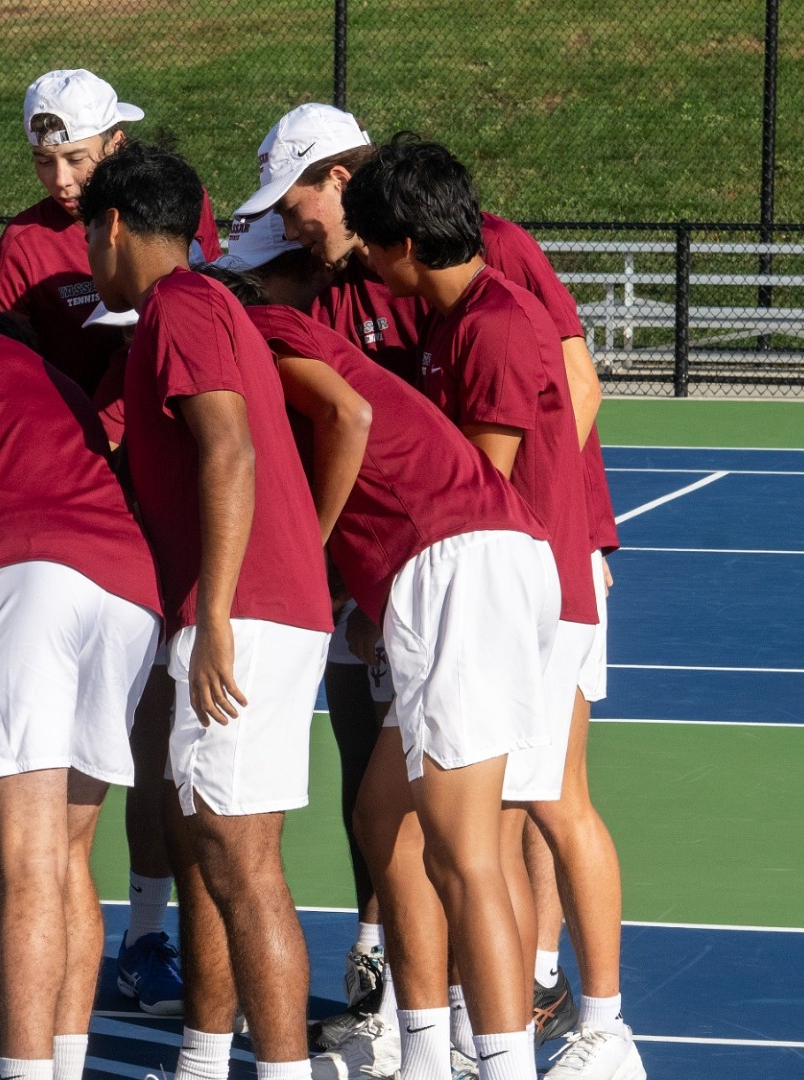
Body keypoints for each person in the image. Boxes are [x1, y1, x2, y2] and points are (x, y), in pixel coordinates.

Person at [248, 103, 626, 1069]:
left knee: (493, 835)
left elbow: (484, 481)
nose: (363, 267)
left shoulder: (496, 315)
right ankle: (429, 1043)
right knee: (397, 821)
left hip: (493, 575)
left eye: (373, 248)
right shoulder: (451, 315)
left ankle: (541, 1039)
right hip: (465, 575)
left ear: (399, 235)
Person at [80, 141, 334, 1080]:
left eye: (87, 237)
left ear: (111, 226)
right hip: (260, 601)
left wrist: (215, 615)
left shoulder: (181, 308)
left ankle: (280, 1070)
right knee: (215, 847)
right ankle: (202, 1055)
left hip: (244, 609)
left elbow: (227, 450)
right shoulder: (204, 306)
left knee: (238, 860)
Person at [0, 67, 221, 1022]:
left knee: (155, 737)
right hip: (55, 515)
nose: (61, 175)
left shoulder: (173, 228)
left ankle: (145, 934)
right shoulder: (24, 246)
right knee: (15, 749)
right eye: (44, 157)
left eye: (75, 155)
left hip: (148, 513)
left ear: (115, 144)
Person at [0, 305, 160, 1080]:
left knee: (27, 858)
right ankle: (62, 1065)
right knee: (69, 855)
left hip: (27, 572)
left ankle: (24, 1070)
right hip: (127, 590)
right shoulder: (63, 389)